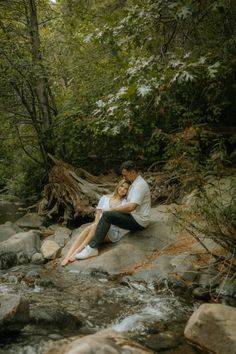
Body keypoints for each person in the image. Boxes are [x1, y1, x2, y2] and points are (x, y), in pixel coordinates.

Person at [76, 160, 151, 260]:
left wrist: (113, 209)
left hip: (139, 220)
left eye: (125, 175)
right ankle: (90, 246)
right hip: (134, 217)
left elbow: (132, 206)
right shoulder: (134, 183)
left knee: (107, 215)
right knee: (107, 215)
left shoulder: (140, 185)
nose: (124, 178)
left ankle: (93, 248)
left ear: (133, 172)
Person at [60, 179, 130, 266]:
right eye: (122, 186)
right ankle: (68, 256)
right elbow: (98, 213)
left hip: (111, 232)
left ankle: (76, 253)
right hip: (98, 226)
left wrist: (96, 225)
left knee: (93, 227)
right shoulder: (105, 198)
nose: (123, 189)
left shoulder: (125, 203)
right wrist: (96, 223)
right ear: (118, 186)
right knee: (90, 228)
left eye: (126, 189)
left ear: (127, 191)